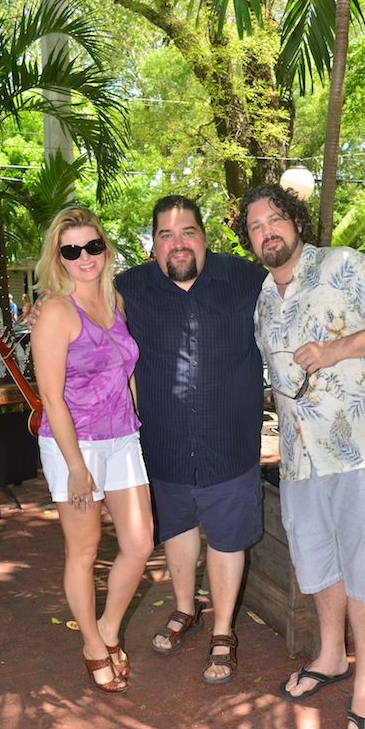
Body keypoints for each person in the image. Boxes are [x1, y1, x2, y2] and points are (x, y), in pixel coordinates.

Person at [232, 185, 365, 729]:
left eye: (274, 220)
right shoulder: (264, 295)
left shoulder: (344, 265)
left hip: (363, 448)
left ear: (294, 221)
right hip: (301, 454)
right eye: (254, 226)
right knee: (317, 557)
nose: (266, 231)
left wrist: (337, 349)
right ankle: (330, 655)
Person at [114, 195, 267, 684]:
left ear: (205, 237)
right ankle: (186, 609)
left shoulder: (247, 278)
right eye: (165, 235)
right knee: (176, 531)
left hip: (229, 441)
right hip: (163, 442)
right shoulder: (127, 288)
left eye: (187, 233)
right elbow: (84, 318)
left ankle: (223, 629)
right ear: (152, 245)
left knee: (225, 538)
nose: (177, 244)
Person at [31, 206, 154, 694]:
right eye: (71, 250)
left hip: (122, 438)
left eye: (92, 246)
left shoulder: (115, 301)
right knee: (82, 551)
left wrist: (137, 428)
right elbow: (51, 397)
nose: (85, 257)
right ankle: (90, 644)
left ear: (105, 247)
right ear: (58, 258)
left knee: (140, 543)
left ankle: (107, 628)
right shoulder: (57, 310)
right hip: (73, 444)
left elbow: (126, 374)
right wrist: (78, 468)